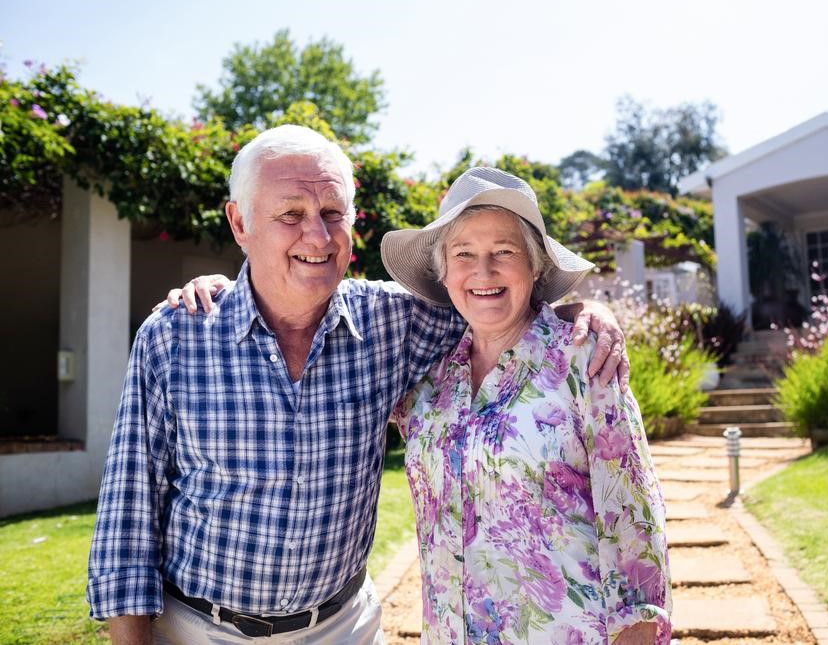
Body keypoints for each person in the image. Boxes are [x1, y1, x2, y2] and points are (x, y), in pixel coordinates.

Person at [88, 125, 627, 645]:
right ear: (239, 222)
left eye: (331, 214)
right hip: (198, 630)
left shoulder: (398, 322)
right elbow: (127, 520)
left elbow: (492, 299)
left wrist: (581, 310)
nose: (317, 236)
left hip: (341, 627)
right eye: (290, 215)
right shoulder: (176, 336)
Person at [382, 167, 671, 644]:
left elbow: (635, 522)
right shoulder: (425, 388)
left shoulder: (583, 359)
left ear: (535, 266)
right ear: (444, 272)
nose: (484, 271)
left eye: (504, 251)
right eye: (464, 254)